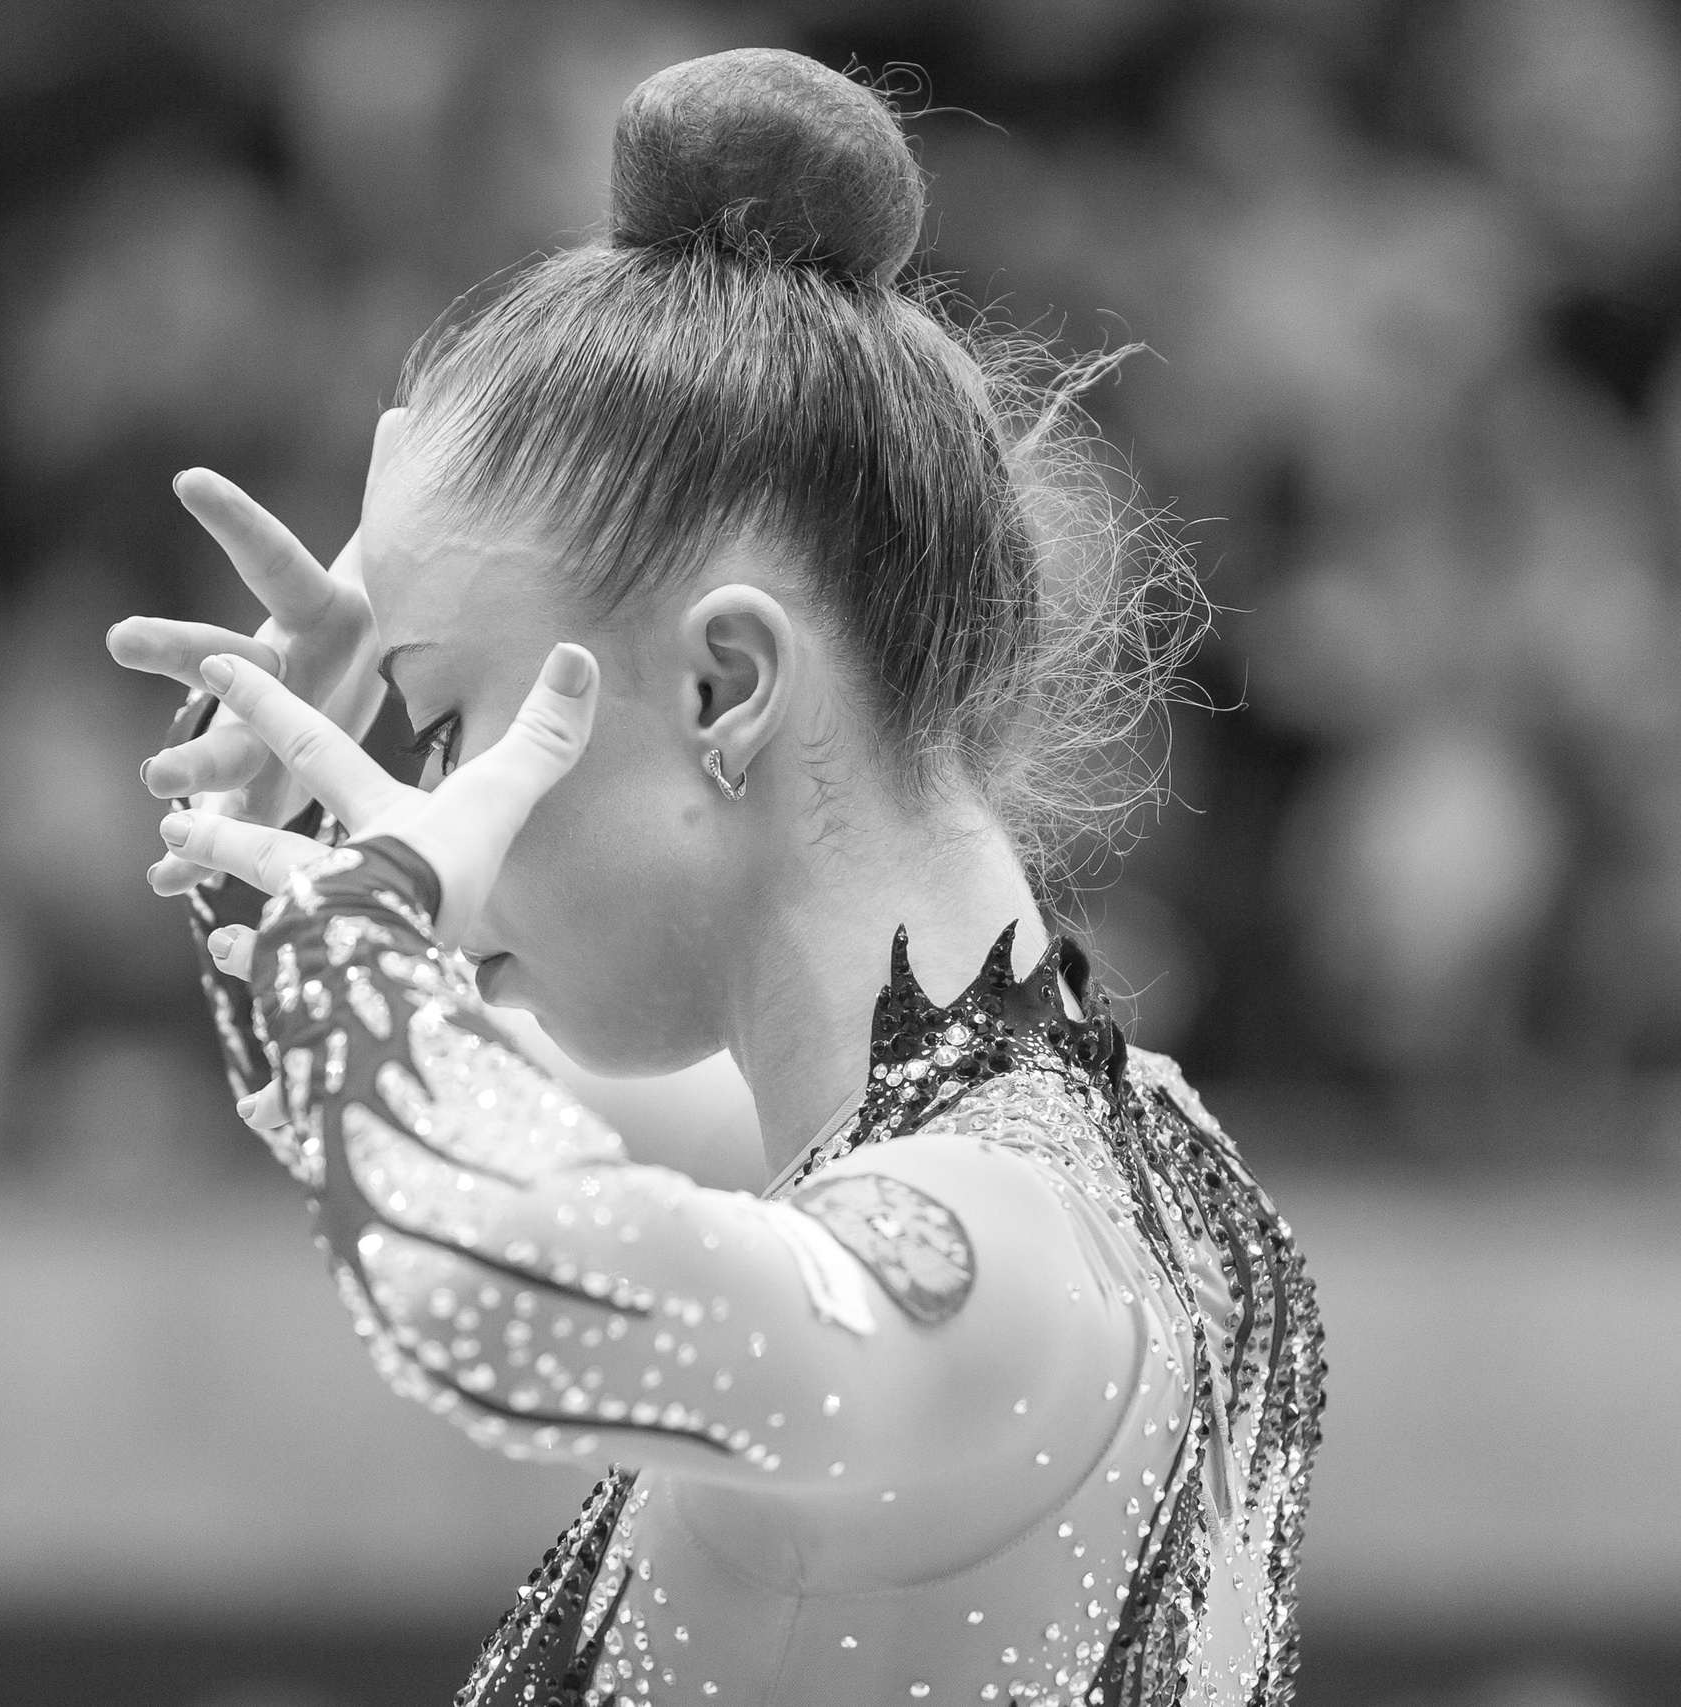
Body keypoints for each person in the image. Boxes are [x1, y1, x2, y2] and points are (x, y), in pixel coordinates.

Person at [109, 49, 1323, 1707]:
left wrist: (359, 911)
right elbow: (466, 1123)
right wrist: (300, 870)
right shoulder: (1132, 1151)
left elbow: (486, 1273)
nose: (436, 814)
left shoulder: (1007, 1258)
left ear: (723, 689)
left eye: (452, 725)